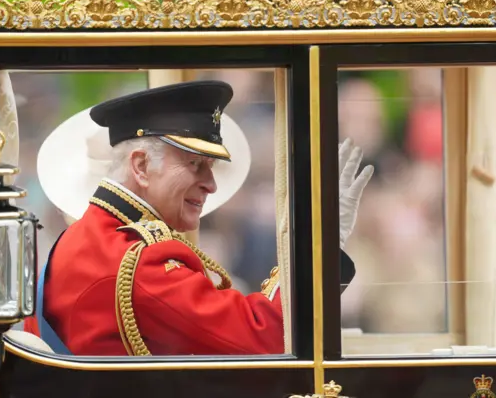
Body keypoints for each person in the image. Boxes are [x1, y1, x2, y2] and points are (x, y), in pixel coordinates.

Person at [23, 80, 373, 356]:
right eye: (195, 165)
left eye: (211, 166)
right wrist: (321, 241)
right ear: (142, 166)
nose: (211, 184)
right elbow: (269, 338)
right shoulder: (139, 263)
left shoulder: (92, 235)